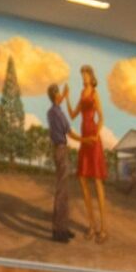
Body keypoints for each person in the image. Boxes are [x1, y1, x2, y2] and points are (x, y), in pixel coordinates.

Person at [67, 66, 109, 243]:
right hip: (84, 139)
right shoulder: (82, 93)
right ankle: (91, 226)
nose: (83, 76)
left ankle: (103, 229)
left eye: (86, 74)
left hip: (93, 136)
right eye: (82, 74)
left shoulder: (94, 94)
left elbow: (101, 117)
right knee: (83, 181)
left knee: (97, 181)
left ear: (92, 77)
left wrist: (96, 135)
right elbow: (73, 114)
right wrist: (67, 97)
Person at [45, 83, 78, 242]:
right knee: (62, 192)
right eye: (60, 94)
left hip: (57, 150)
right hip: (61, 149)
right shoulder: (59, 114)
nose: (61, 96)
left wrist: (64, 94)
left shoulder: (51, 111)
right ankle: (59, 232)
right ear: (56, 96)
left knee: (62, 191)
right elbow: (70, 132)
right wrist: (86, 140)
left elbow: (57, 103)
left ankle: (62, 227)